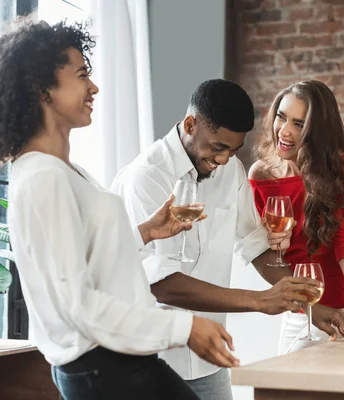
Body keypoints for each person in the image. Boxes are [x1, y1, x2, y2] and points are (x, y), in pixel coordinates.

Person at [1, 19, 237, 400]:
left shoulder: (64, 171)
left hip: (120, 365)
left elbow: (86, 264)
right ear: (40, 88)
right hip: (107, 371)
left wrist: (145, 232)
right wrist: (184, 327)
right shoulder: (43, 177)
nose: (93, 86)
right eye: (81, 75)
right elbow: (78, 304)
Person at [111, 79, 323, 399]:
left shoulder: (231, 170)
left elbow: (254, 242)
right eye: (217, 148)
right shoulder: (147, 176)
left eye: (233, 150)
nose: (223, 159)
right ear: (190, 124)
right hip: (150, 360)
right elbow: (160, 282)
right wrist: (258, 301)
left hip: (209, 361)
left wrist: (307, 304)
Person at [248, 80, 344, 354]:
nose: (285, 131)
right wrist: (275, 247)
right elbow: (265, 257)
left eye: (299, 124)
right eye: (281, 117)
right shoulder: (260, 175)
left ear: (316, 131)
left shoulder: (341, 171)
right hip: (299, 311)